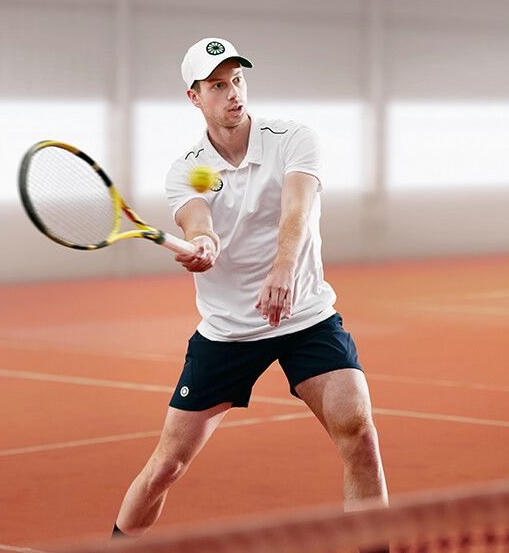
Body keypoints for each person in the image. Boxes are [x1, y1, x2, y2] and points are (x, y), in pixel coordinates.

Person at [112, 37, 388, 542]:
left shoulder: (292, 139)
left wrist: (283, 268)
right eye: (218, 86)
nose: (233, 93)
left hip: (305, 317)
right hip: (229, 331)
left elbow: (297, 209)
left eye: (237, 80)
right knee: (167, 466)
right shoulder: (189, 169)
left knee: (361, 436)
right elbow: (198, 220)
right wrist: (203, 243)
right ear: (195, 97)